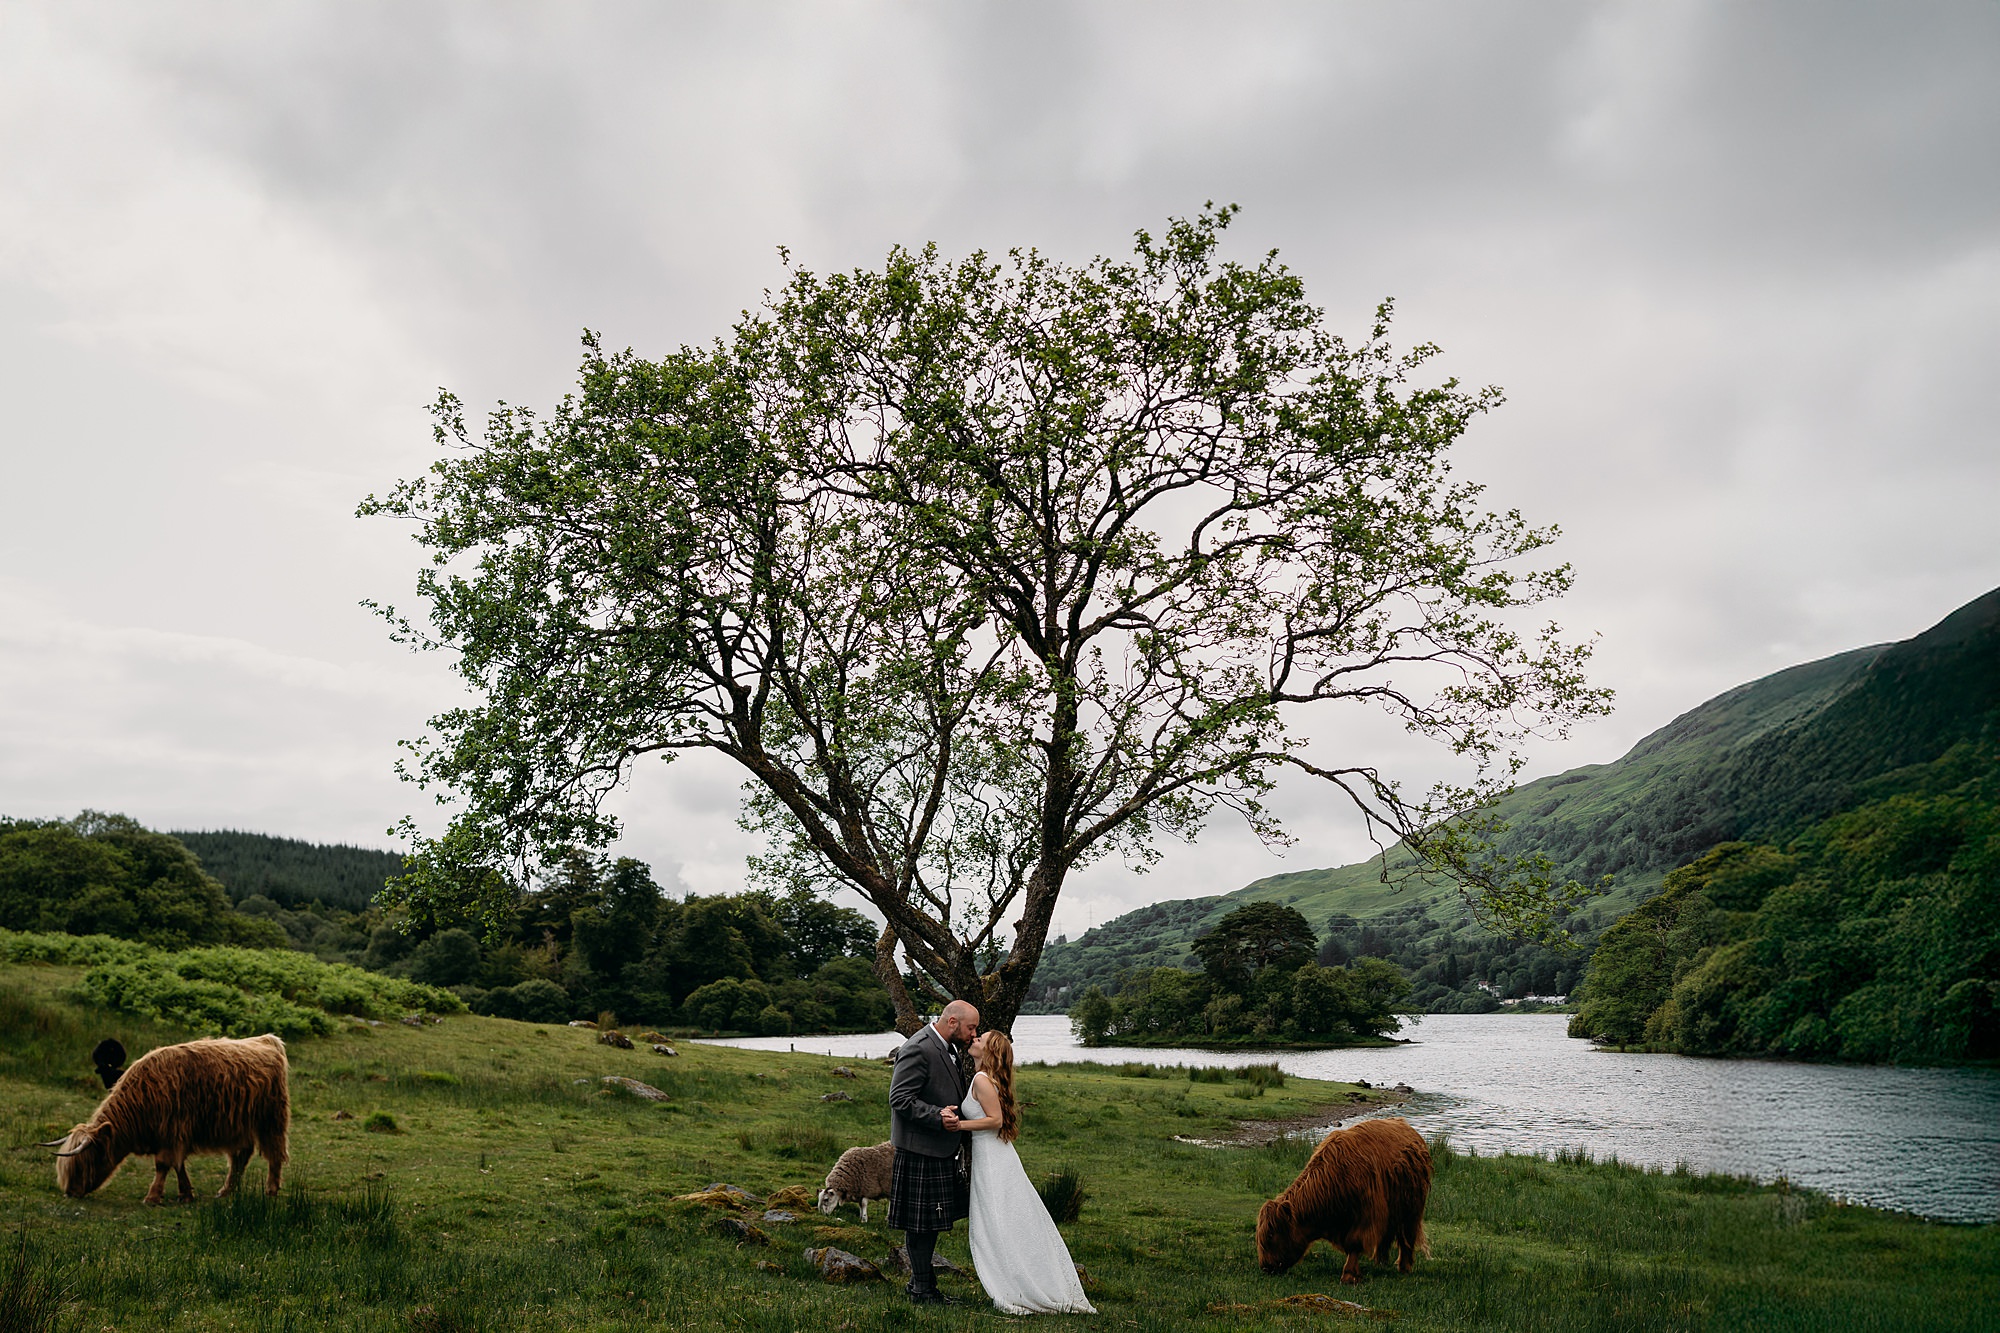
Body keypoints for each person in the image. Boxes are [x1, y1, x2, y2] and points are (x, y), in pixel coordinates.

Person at [955, 1029, 1096, 1315]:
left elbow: (995, 1120)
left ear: (990, 1051)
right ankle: (1016, 1277)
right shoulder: (986, 1079)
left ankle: (1015, 1285)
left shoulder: (982, 1080)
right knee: (1001, 1219)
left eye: (980, 1039)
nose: (974, 1040)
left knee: (997, 1220)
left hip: (993, 1159)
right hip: (993, 1156)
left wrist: (959, 1126)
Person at [887, 999, 978, 1305]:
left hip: (937, 1150)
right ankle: (922, 1290)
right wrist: (937, 1115)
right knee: (920, 1225)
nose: (973, 1034)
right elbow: (899, 1098)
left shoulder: (948, 1048)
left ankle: (921, 1286)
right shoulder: (919, 1048)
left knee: (927, 1223)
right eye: (970, 1027)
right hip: (919, 1149)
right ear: (952, 1022)